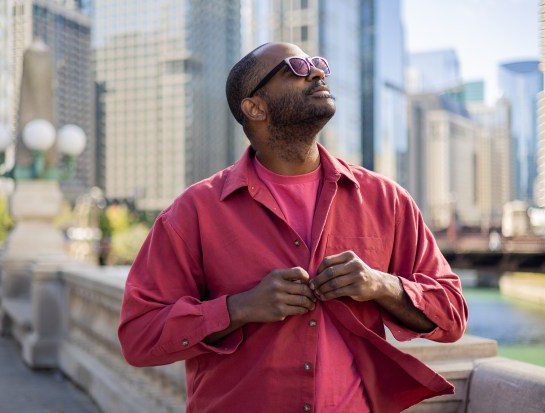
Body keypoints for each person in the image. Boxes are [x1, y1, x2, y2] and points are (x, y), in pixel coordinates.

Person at [118, 42, 468, 413]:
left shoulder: (387, 199)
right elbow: (139, 337)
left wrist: (378, 285)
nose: (317, 73)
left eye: (318, 64)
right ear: (255, 107)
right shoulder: (194, 212)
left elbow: (453, 315)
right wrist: (238, 308)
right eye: (296, 68)